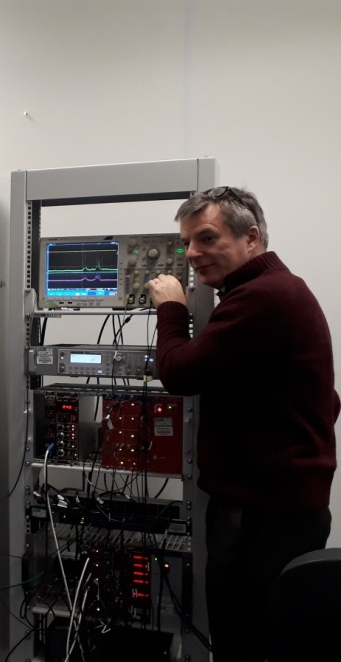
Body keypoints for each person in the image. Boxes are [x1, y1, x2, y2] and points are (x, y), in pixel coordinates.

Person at [147, 186, 339, 662]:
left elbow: (178, 372)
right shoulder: (272, 291)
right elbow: (324, 400)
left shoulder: (262, 297)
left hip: (262, 517)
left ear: (251, 236)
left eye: (206, 238)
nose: (192, 253)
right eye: (187, 242)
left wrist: (171, 308)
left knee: (245, 643)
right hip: (278, 509)